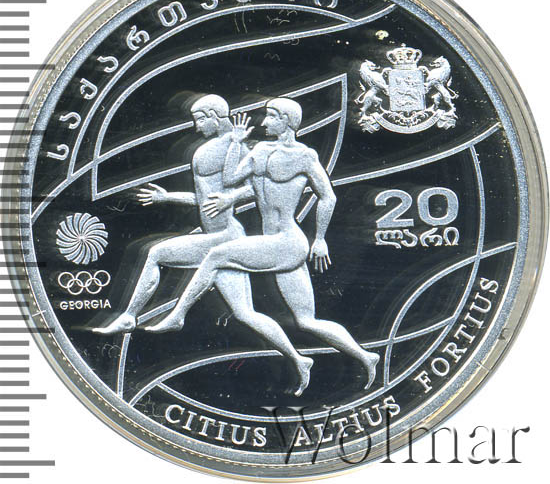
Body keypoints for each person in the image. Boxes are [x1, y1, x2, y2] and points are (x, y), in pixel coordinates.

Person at [147, 98, 379, 389]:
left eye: (271, 116)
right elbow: (230, 179)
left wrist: (320, 239)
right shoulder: (259, 150)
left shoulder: (305, 156)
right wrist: (236, 143)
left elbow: (327, 196)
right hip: (274, 243)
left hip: (288, 241)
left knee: (217, 255)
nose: (264, 122)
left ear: (287, 121)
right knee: (306, 321)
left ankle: (177, 316)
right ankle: (360, 356)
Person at [93, 94, 313, 395]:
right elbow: (205, 199)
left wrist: (231, 189)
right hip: (220, 234)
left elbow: (252, 188)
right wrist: (167, 197)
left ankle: (135, 317)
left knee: (156, 253)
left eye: (199, 119)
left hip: (224, 236)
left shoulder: (236, 147)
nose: (196, 126)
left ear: (214, 116)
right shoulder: (217, 147)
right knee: (245, 314)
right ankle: (299, 359)